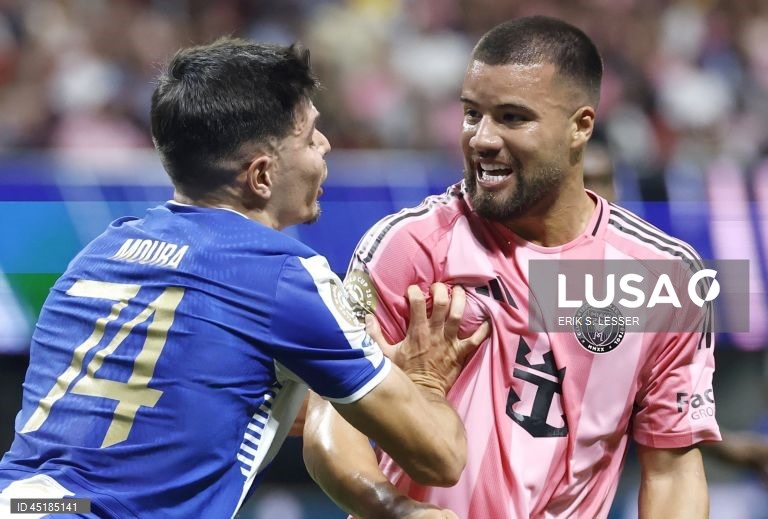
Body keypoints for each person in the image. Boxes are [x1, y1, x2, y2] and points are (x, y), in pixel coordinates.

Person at [0, 38, 489, 519]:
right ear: (261, 175)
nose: (326, 145)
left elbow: (212, 403)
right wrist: (423, 380)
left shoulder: (99, 254)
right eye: (310, 135)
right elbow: (440, 457)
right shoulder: (282, 275)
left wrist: (369, 381)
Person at [303, 15, 721, 519]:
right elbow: (330, 420)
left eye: (512, 118)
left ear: (580, 126)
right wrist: (395, 510)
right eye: (471, 114)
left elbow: (672, 468)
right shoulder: (410, 246)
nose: (481, 138)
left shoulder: (662, 277)